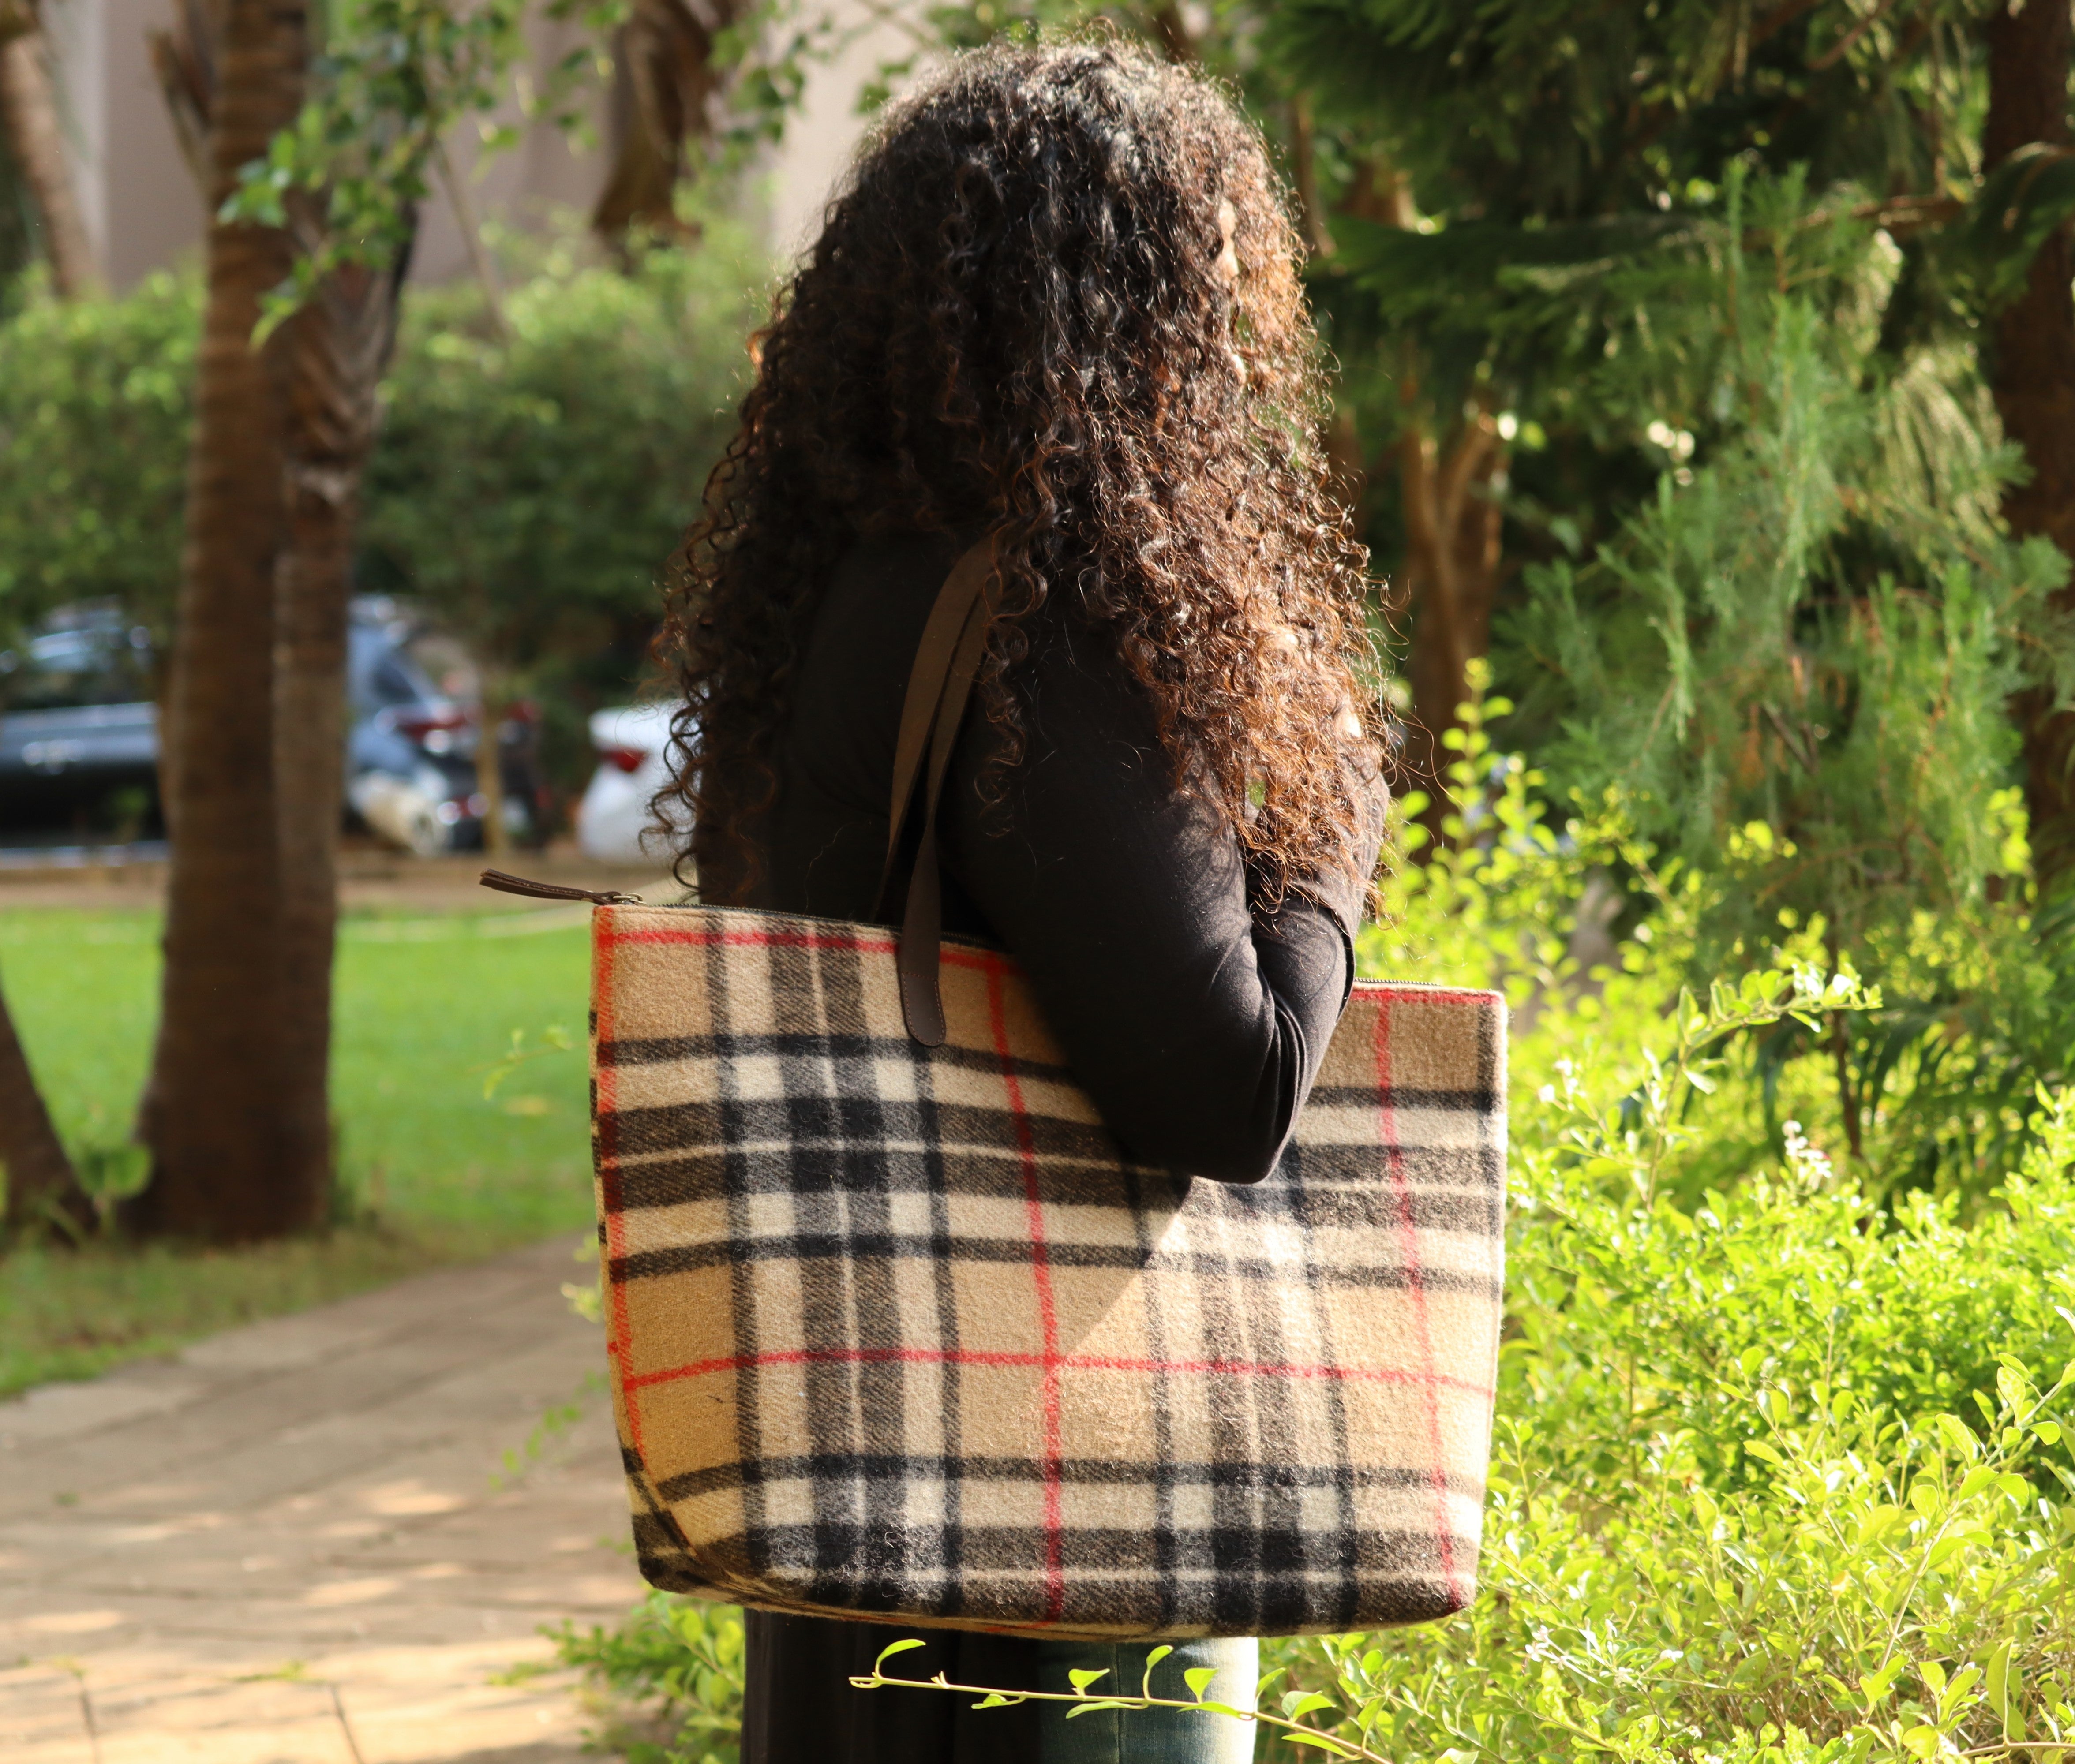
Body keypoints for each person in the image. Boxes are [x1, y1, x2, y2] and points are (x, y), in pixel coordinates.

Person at [654, 39, 1388, 1764]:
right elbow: (1232, 1086)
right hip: (1058, 1560)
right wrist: (1341, 814)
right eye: (1210, 301)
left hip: (867, 1487)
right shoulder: (1045, 637)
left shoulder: (849, 600)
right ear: (1132, 320)